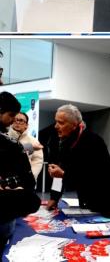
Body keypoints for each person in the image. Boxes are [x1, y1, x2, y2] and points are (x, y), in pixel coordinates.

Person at [46, 104, 110, 219]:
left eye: (61, 123)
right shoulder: (65, 141)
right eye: (56, 122)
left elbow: (92, 177)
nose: (56, 126)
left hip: (107, 199)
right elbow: (60, 173)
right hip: (89, 198)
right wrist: (54, 198)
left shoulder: (93, 141)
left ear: (74, 125)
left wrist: (63, 174)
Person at [1, 92, 37, 255]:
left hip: (16, 195)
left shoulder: (31, 141)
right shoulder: (7, 136)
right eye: (14, 118)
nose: (16, 121)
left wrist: (24, 185)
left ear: (27, 125)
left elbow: (34, 162)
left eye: (21, 120)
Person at [7, 112, 44, 181]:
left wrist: (31, 177)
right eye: (15, 119)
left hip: (26, 182)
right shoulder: (5, 137)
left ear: (26, 125)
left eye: (21, 120)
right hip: (5, 181)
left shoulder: (33, 141)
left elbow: (37, 161)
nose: (17, 122)